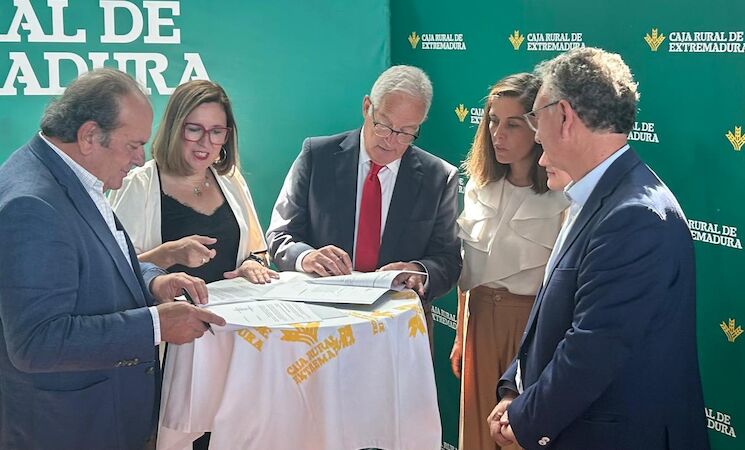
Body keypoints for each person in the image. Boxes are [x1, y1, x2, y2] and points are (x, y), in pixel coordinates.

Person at [488, 47, 709, 450]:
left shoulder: (634, 216)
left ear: (564, 116)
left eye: (536, 117)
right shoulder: (595, 197)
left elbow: (593, 348)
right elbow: (553, 320)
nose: (535, 134)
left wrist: (525, 420)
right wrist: (514, 388)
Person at [0, 68, 225, 450]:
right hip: (70, 428)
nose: (140, 158)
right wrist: (155, 325)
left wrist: (153, 281)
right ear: (90, 136)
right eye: (133, 145)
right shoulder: (32, 205)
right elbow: (37, 341)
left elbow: (103, 258)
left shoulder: (66, 174)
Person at [266, 65, 461, 337]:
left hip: (398, 328)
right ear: (367, 107)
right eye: (384, 126)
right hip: (319, 324)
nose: (391, 141)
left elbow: (448, 260)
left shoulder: (438, 177)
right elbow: (280, 235)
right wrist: (307, 257)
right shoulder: (317, 156)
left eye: (406, 132)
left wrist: (419, 270)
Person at [450, 73, 568, 450]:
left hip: (534, 329)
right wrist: (460, 336)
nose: (497, 134)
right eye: (492, 121)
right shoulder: (477, 186)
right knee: (477, 435)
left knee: (520, 435)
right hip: (479, 324)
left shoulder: (563, 196)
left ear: (537, 128)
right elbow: (468, 271)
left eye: (512, 124)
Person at [109, 79, 275, 286]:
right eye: (195, 129)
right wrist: (167, 254)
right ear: (174, 129)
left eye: (216, 132)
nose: (205, 142)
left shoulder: (230, 179)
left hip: (234, 305)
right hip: (169, 306)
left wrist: (252, 264)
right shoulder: (137, 184)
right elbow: (111, 272)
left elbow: (258, 251)